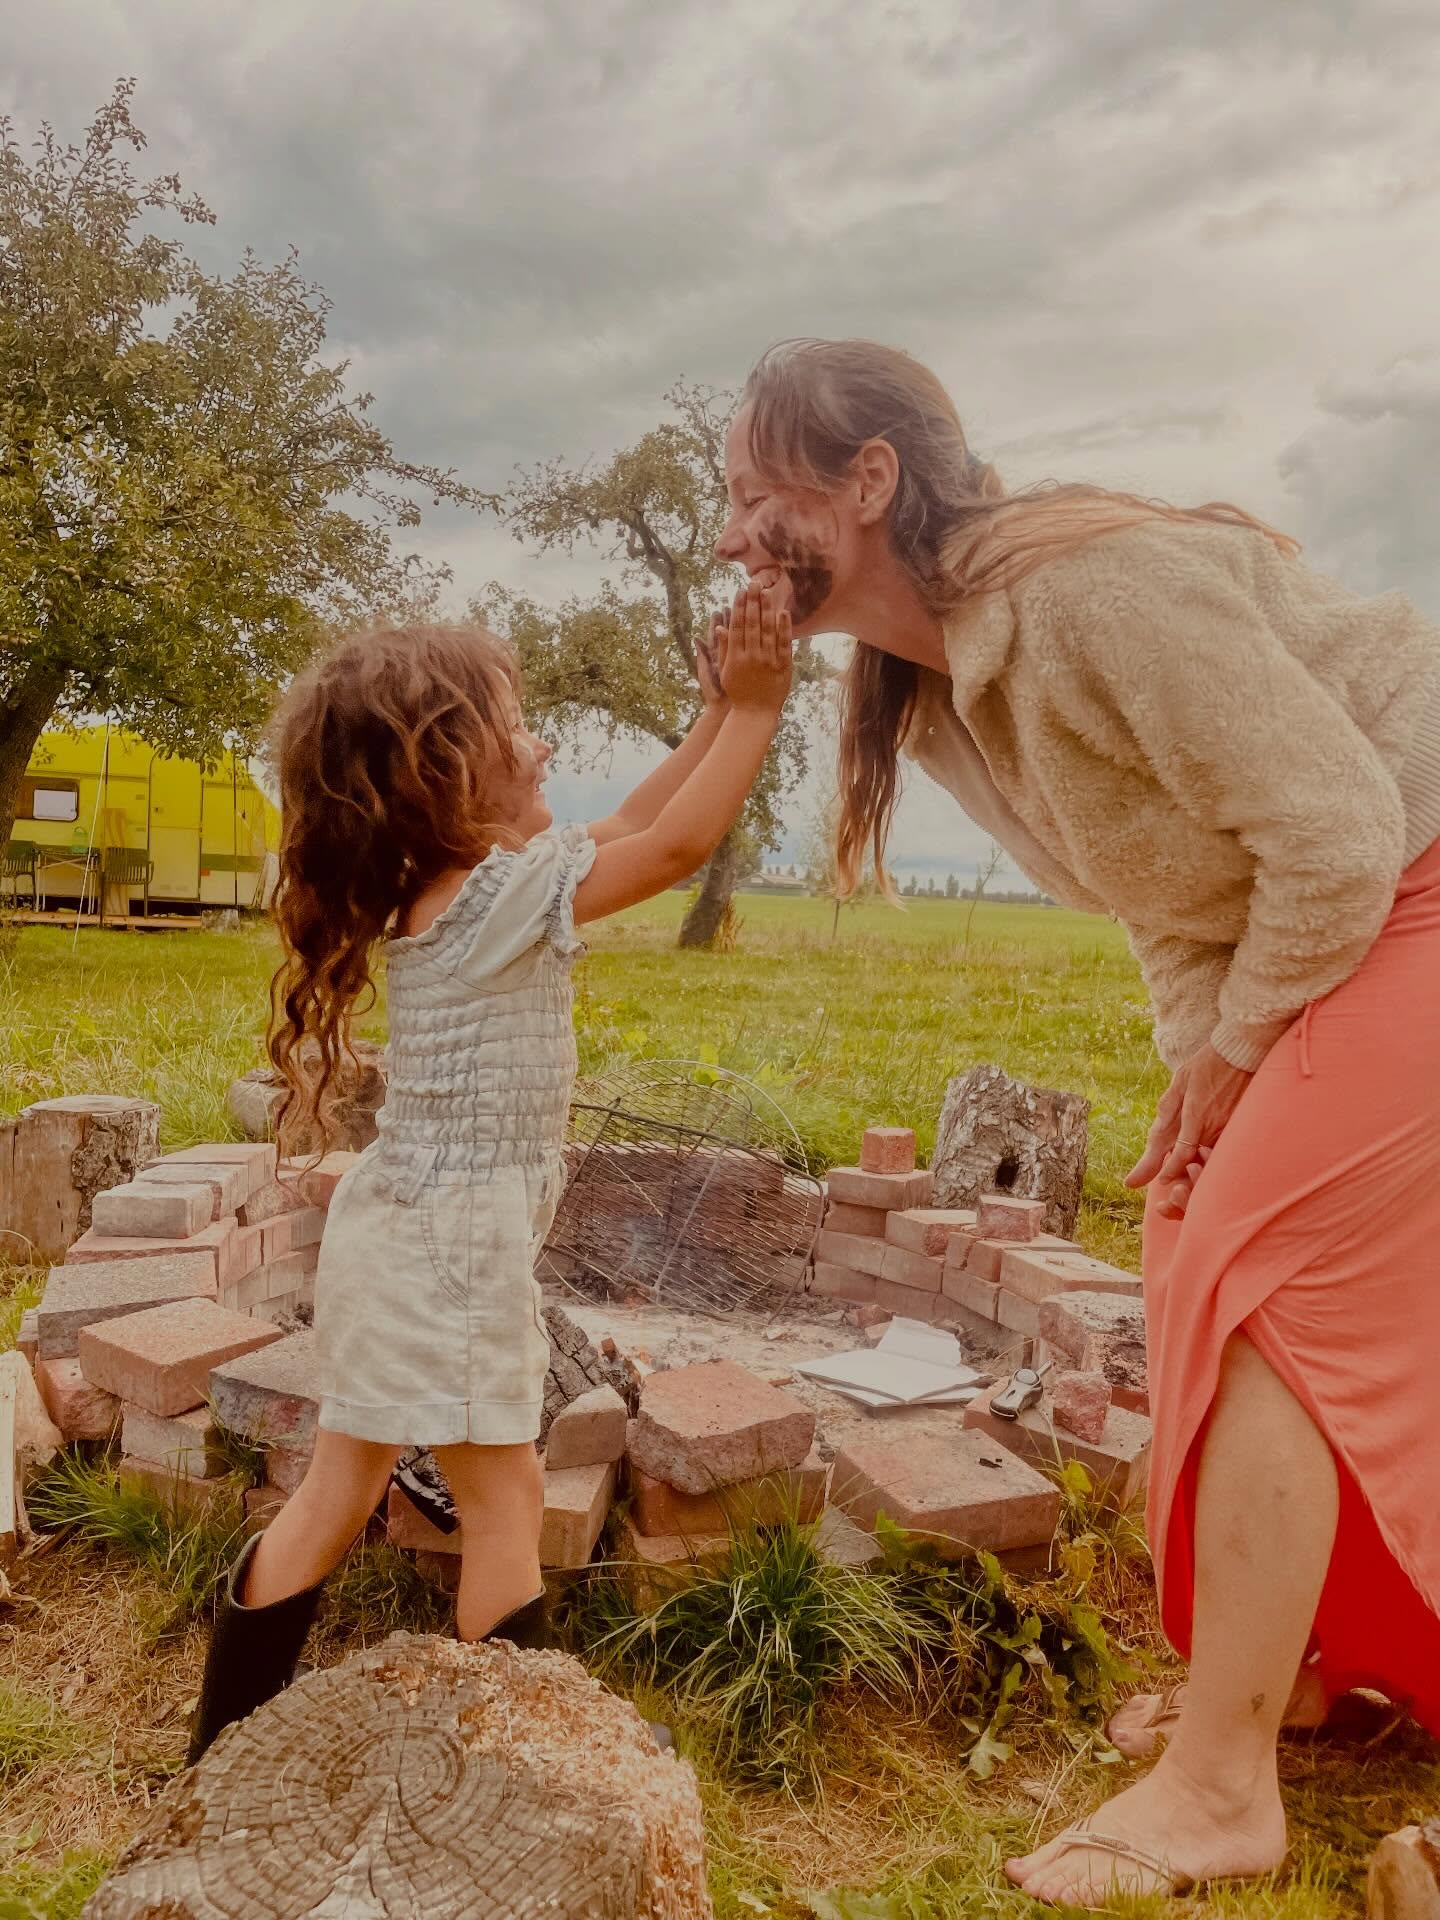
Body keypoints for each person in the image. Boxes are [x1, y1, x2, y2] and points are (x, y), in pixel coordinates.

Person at [716, 338, 1440, 1906]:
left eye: (755, 494)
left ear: (870, 479)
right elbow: (1168, 885)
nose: (729, 537)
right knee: (1184, 1229)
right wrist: (1208, 1062)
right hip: (1335, 906)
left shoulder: (1091, 595)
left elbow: (1335, 826)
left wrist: (1257, 1044)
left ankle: (1223, 1787)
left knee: (1269, 1277)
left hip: (1415, 869)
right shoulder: (936, 694)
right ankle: (1308, 1663)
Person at [186, 594, 792, 1761]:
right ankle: (520, 1758)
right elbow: (669, 846)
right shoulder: (502, 901)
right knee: (506, 1498)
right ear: (447, 773)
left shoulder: (450, 897)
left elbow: (627, 816)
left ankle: (219, 1747)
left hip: (397, 1233)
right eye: (520, 729)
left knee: (334, 1494)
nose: (544, 746)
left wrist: (714, 711)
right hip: (451, 1253)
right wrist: (758, 713)